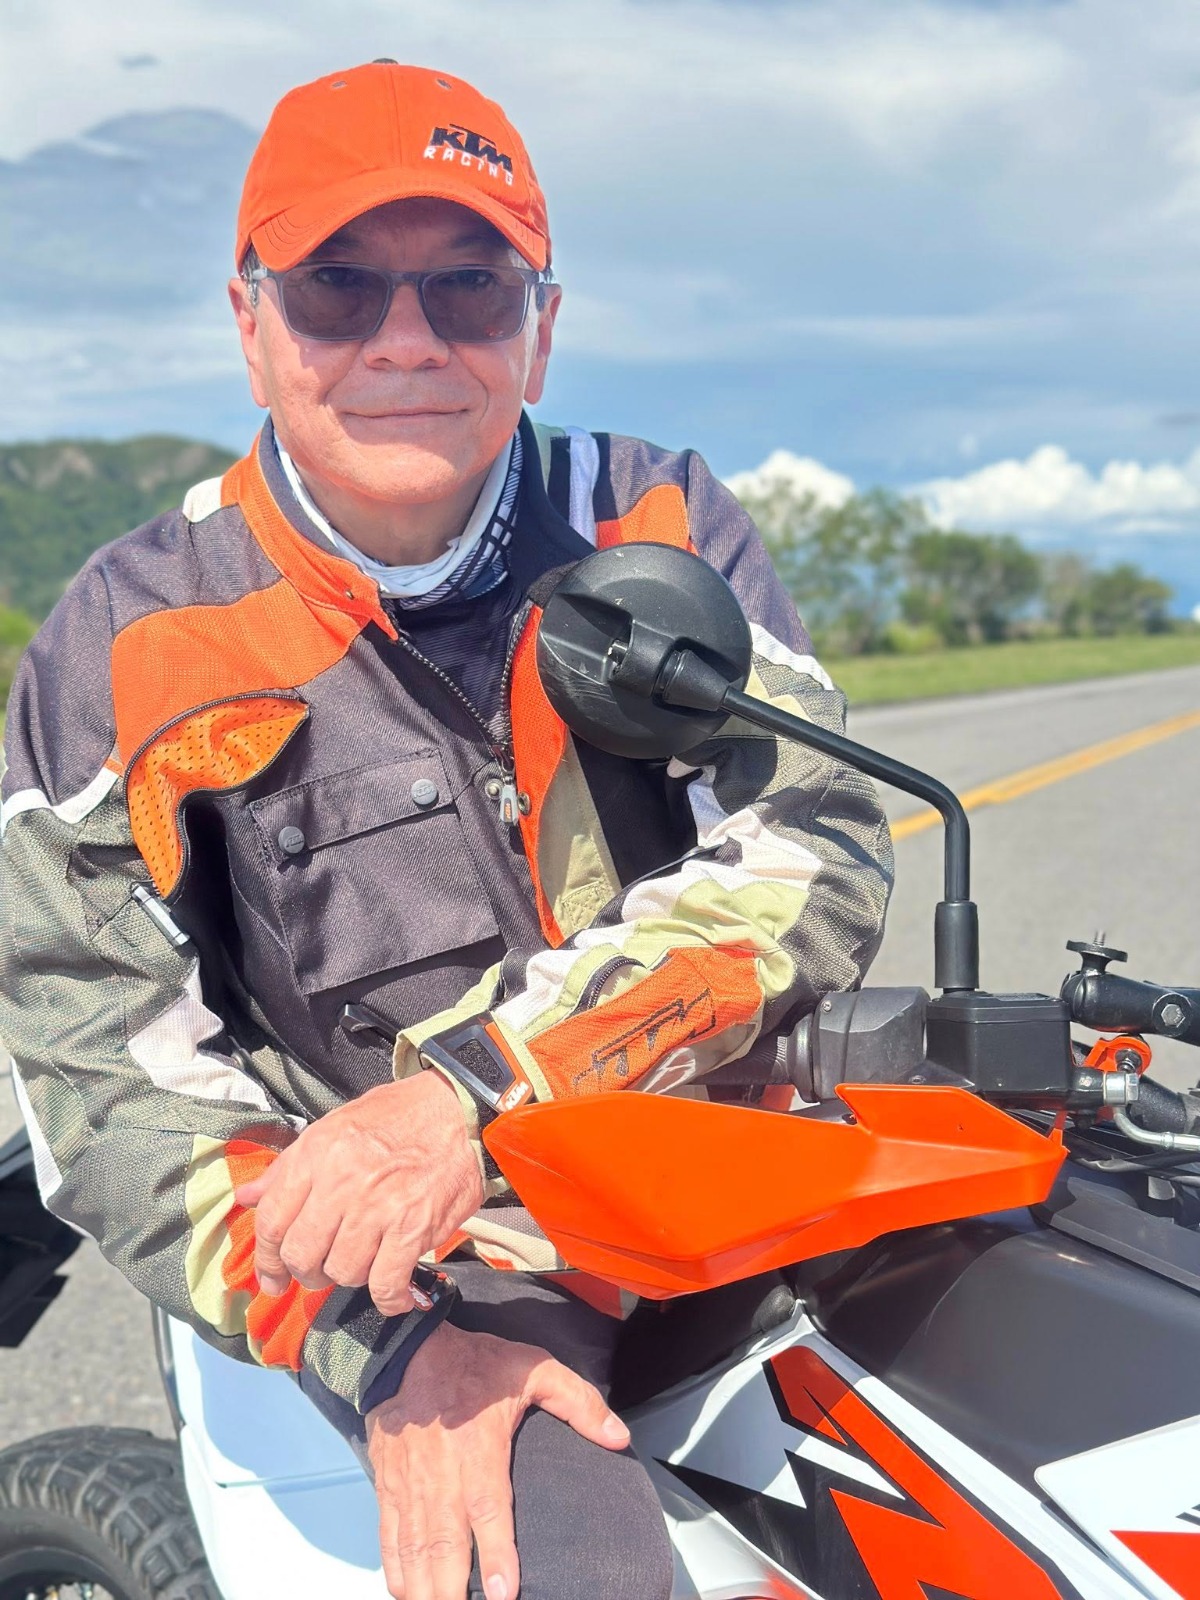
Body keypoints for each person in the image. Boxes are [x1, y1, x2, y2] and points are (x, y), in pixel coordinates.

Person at [0, 60, 893, 1600]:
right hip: (441, 1265)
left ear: (540, 325)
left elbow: (809, 846)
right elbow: (97, 1071)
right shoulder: (126, 637)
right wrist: (385, 1343)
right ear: (251, 321)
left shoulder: (654, 518)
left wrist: (477, 1088)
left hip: (724, 1158)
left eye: (468, 288)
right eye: (336, 287)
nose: (405, 340)